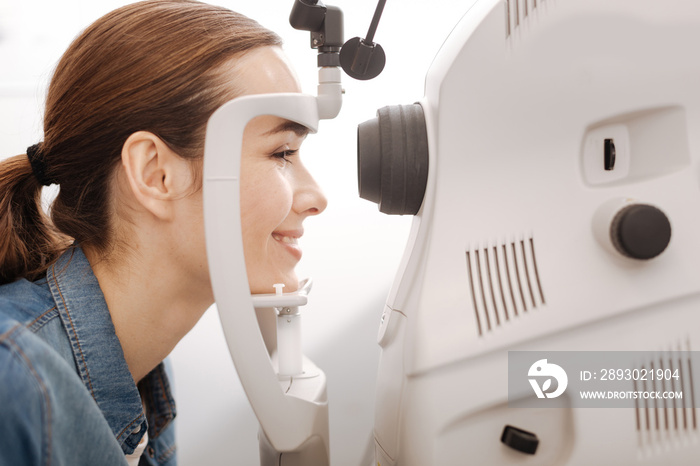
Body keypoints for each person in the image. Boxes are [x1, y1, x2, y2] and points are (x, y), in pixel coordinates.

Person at [0, 1, 327, 464]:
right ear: (156, 174)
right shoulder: (13, 384)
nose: (316, 197)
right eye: (282, 152)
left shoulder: (142, 366)